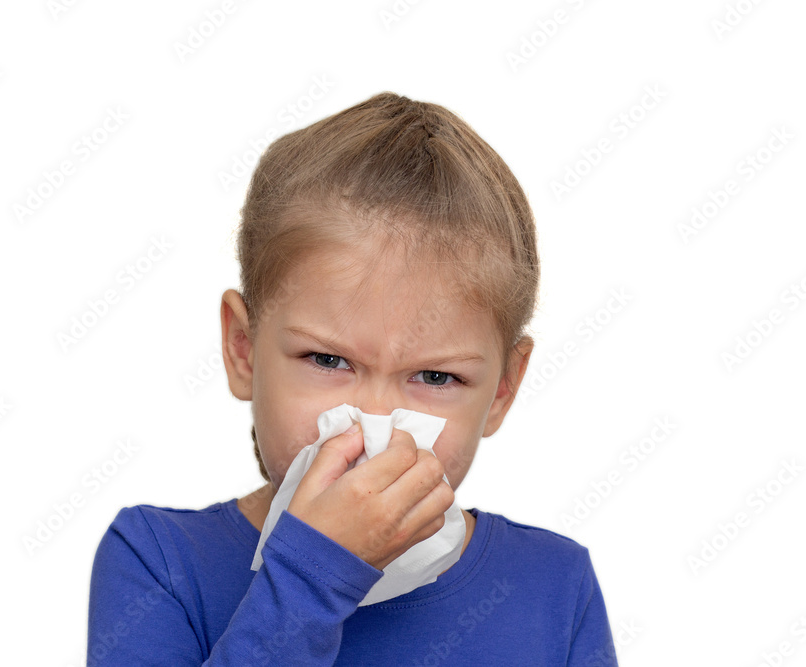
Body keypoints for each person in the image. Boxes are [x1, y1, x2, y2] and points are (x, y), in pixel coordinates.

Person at [86, 92, 618, 665]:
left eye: (435, 376)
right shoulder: (159, 562)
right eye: (328, 361)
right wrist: (315, 575)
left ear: (503, 391)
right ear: (243, 348)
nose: (374, 425)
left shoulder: (555, 587)